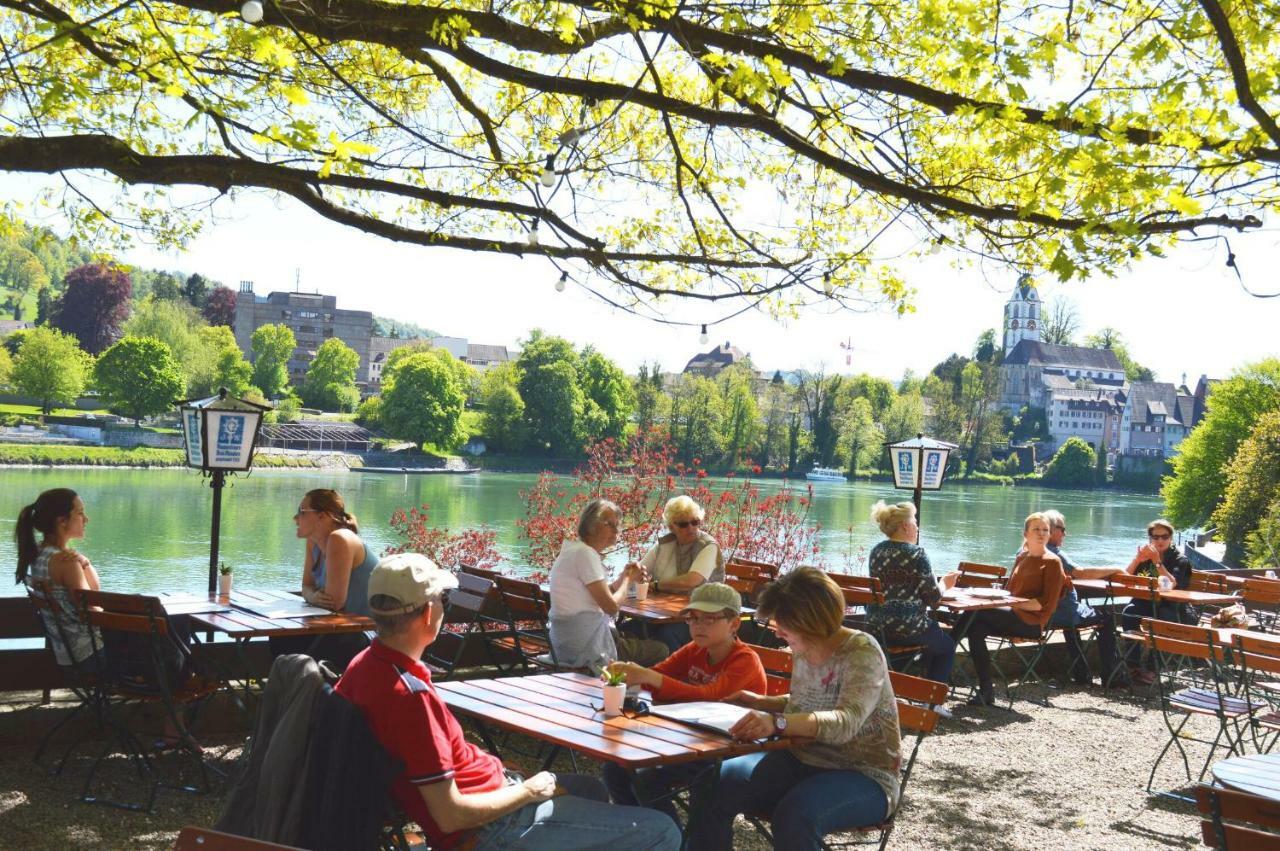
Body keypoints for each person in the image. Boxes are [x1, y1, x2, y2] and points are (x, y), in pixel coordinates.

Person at [336, 553, 681, 851]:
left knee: (589, 787)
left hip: (493, 800)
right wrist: (528, 790)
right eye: (444, 599)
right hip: (491, 832)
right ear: (428, 614)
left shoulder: (365, 666)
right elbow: (450, 815)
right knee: (661, 831)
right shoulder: (409, 698)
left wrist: (502, 772)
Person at [688, 567, 902, 851]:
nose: (778, 632)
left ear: (810, 622)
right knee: (712, 784)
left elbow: (846, 721)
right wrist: (762, 702)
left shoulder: (861, 651)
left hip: (864, 775)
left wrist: (777, 723)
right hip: (800, 759)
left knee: (794, 815)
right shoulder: (804, 646)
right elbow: (808, 704)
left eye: (784, 626)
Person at [601, 582, 767, 823]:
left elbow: (710, 697)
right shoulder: (694, 650)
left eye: (709, 619)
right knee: (615, 768)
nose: (698, 625)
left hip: (730, 749)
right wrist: (627, 675)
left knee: (646, 778)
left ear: (734, 624)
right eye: (693, 618)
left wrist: (650, 678)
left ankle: (672, 840)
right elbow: (657, 677)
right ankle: (645, 835)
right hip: (690, 739)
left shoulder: (744, 661)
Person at [548, 499, 668, 670]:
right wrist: (628, 579)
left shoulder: (573, 551)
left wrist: (620, 580)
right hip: (587, 648)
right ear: (591, 525)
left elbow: (600, 595)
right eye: (610, 524)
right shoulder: (585, 555)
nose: (616, 530)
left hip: (565, 644)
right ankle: (627, 693)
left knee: (634, 634)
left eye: (617, 525)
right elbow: (611, 607)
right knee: (661, 649)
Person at [961, 513, 1066, 707]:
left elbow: (1044, 605)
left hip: (1031, 622)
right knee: (975, 631)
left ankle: (943, 650)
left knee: (976, 610)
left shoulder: (1052, 562)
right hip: (1012, 617)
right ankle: (986, 691)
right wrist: (1002, 601)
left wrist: (1008, 604)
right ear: (1025, 533)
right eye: (1036, 529)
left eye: (1045, 530)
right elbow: (1009, 591)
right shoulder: (1022, 557)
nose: (1042, 534)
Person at [272, 488, 379, 668]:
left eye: (302, 511)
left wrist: (312, 595)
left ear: (323, 516)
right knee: (281, 639)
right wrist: (313, 596)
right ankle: (295, 692)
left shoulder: (340, 539)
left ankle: (305, 693)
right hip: (334, 629)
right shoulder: (314, 540)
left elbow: (334, 603)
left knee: (294, 646)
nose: (295, 518)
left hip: (363, 635)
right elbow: (306, 587)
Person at [865, 500, 957, 692]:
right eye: (915, 521)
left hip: (878, 627)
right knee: (947, 646)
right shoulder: (917, 554)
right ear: (905, 526)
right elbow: (933, 599)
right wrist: (945, 584)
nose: (917, 526)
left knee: (932, 641)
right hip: (909, 628)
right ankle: (931, 702)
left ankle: (910, 687)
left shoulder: (876, 552)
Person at [1036, 510, 1128, 687]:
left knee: (1074, 613)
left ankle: (1082, 673)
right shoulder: (1054, 554)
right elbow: (1081, 573)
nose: (1065, 534)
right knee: (1106, 619)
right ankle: (1111, 675)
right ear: (1051, 530)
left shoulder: (1026, 550)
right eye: (1062, 529)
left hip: (1038, 613)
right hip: (1061, 615)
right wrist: (1115, 569)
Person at [15, 488, 102, 669]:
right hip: (91, 654)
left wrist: (83, 562)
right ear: (62, 521)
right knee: (162, 629)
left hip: (65, 654)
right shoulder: (65, 562)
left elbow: (93, 594)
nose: (86, 519)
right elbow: (93, 607)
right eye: (79, 513)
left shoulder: (38, 553)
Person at [630, 496, 725, 652]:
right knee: (630, 629)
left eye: (695, 522)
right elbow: (638, 570)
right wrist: (626, 580)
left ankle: (671, 674)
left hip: (702, 616)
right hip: (666, 613)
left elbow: (692, 580)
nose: (691, 528)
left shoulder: (708, 546)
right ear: (671, 527)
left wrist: (656, 585)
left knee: (667, 635)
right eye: (683, 524)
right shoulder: (665, 544)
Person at [1121, 519, 1193, 685]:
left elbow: (1171, 583)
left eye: (1164, 536)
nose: (1160, 541)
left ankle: (1153, 669)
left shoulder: (1180, 560)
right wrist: (1137, 559)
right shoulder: (1145, 558)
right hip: (1147, 603)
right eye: (1156, 537)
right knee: (1129, 613)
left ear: (1171, 538)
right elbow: (1125, 579)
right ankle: (1134, 667)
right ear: (1150, 538)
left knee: (1160, 619)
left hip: (1173, 607)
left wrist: (1157, 561)